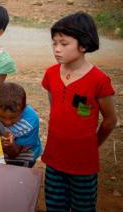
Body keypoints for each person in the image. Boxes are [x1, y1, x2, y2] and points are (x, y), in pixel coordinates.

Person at [42, 12, 117, 211]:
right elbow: (56, 108)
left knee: (83, 207)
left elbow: (110, 120)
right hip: (54, 159)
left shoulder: (99, 81)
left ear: (83, 45)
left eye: (64, 44)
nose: (57, 49)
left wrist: (93, 145)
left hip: (84, 164)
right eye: (54, 43)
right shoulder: (50, 74)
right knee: (54, 206)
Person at [0, 82, 42, 167]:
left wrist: (11, 146)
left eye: (13, 118)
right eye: (2, 116)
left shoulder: (30, 122)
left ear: (23, 109)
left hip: (24, 150)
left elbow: (16, 153)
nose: (7, 122)